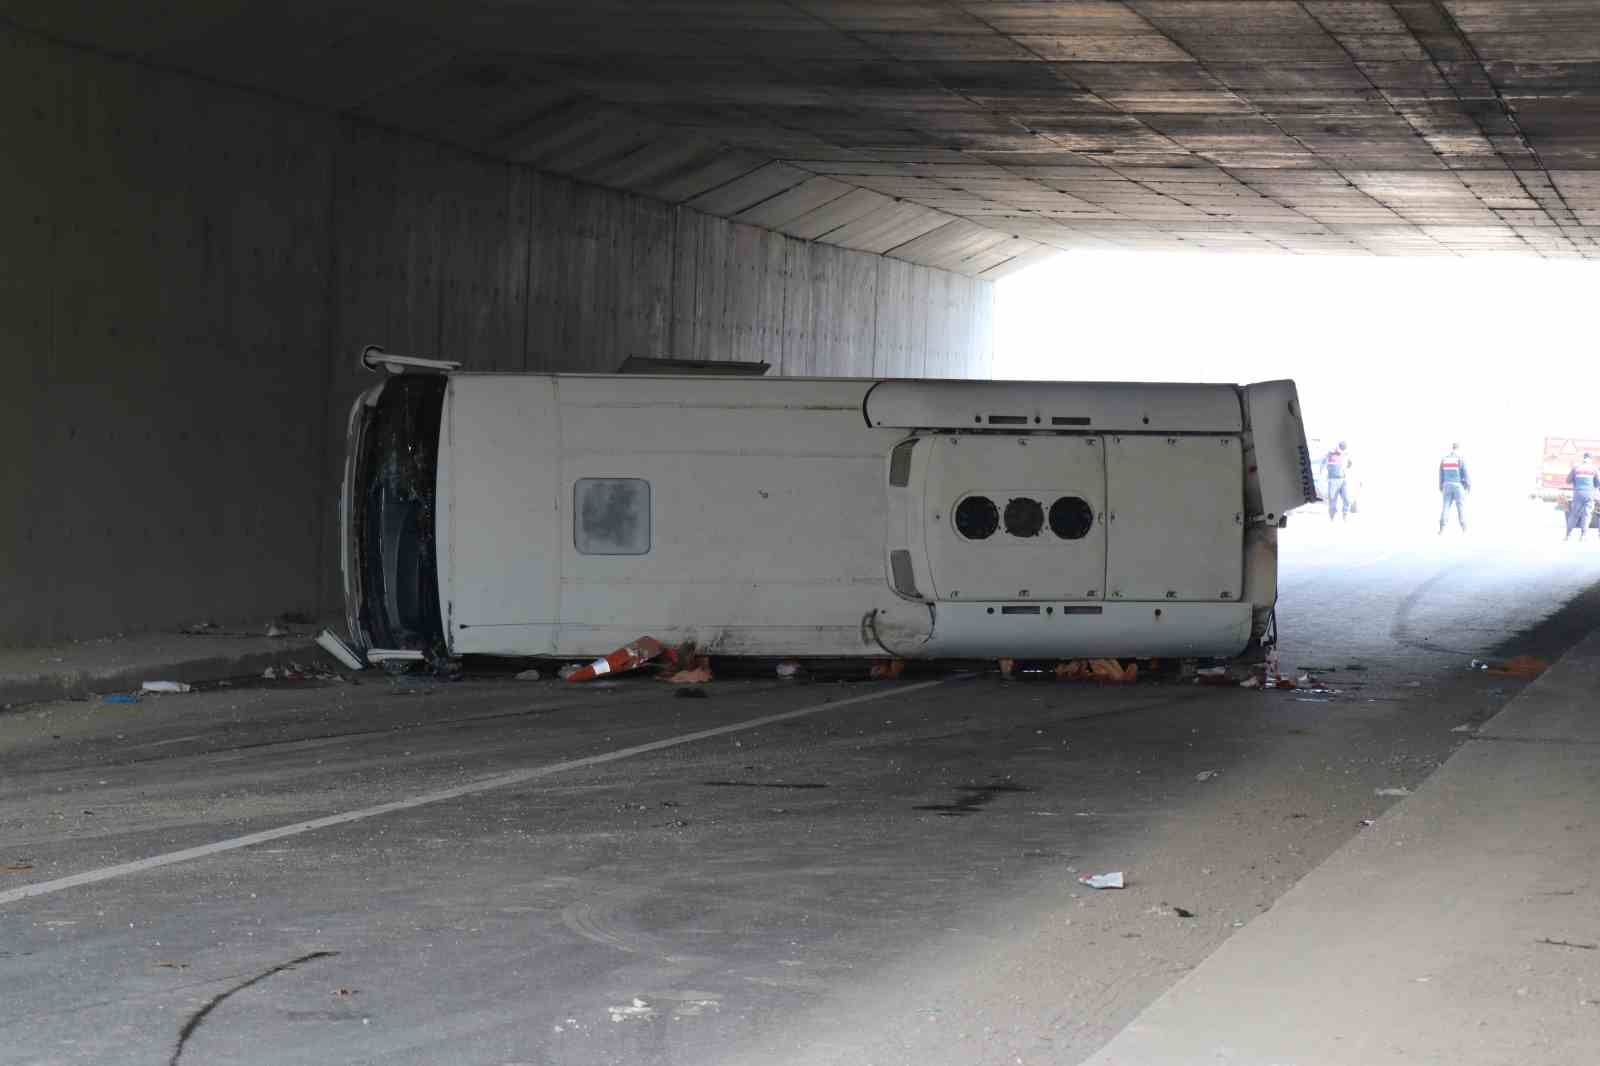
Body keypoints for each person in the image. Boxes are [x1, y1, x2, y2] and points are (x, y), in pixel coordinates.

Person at [1566, 452, 1599, 541]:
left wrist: (1576, 482)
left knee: (1574, 515)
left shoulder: (1576, 468)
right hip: (1589, 494)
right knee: (1586, 515)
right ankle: (1583, 535)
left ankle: (1568, 535)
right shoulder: (1594, 469)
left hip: (1577, 494)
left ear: (1583, 458)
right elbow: (1598, 483)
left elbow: (1568, 481)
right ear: (1591, 459)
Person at [1439, 443, 1470, 533]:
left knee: (1445, 507)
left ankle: (1442, 529)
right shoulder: (1460, 459)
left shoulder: (1444, 459)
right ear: (1458, 448)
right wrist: (1468, 485)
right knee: (1461, 507)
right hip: (1457, 485)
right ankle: (1464, 529)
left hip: (1446, 485)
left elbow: (1441, 474)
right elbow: (1465, 473)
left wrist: (1441, 486)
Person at [1324, 441, 1352, 521]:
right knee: (1332, 501)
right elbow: (1323, 462)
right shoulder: (1330, 453)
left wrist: (1347, 465)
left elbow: (1349, 465)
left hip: (1343, 481)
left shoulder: (1345, 455)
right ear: (1337, 447)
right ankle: (1332, 518)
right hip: (1333, 481)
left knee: (1346, 499)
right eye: (1340, 449)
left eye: (1343, 449)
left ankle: (1345, 515)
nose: (1341, 451)